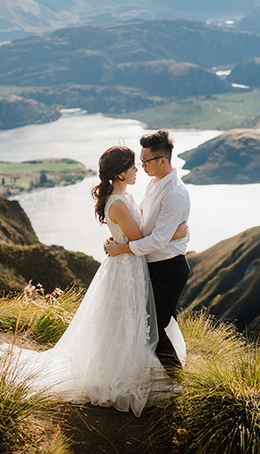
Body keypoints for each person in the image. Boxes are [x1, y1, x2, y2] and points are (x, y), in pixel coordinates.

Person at [0, 145, 186, 417]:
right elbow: (138, 238)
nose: (138, 170)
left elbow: (137, 232)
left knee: (130, 321)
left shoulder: (123, 196)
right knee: (127, 320)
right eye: (133, 166)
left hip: (131, 267)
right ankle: (124, 375)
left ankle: (132, 370)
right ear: (121, 173)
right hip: (126, 268)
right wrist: (173, 234)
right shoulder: (119, 203)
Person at [105, 129, 191, 375]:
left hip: (168, 267)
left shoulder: (174, 193)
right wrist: (119, 232)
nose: (141, 166)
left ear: (162, 161)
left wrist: (120, 247)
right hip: (152, 266)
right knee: (152, 323)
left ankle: (177, 381)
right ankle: (157, 374)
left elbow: (155, 242)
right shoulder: (155, 184)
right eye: (139, 161)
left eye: (145, 160)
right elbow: (141, 217)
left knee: (155, 327)